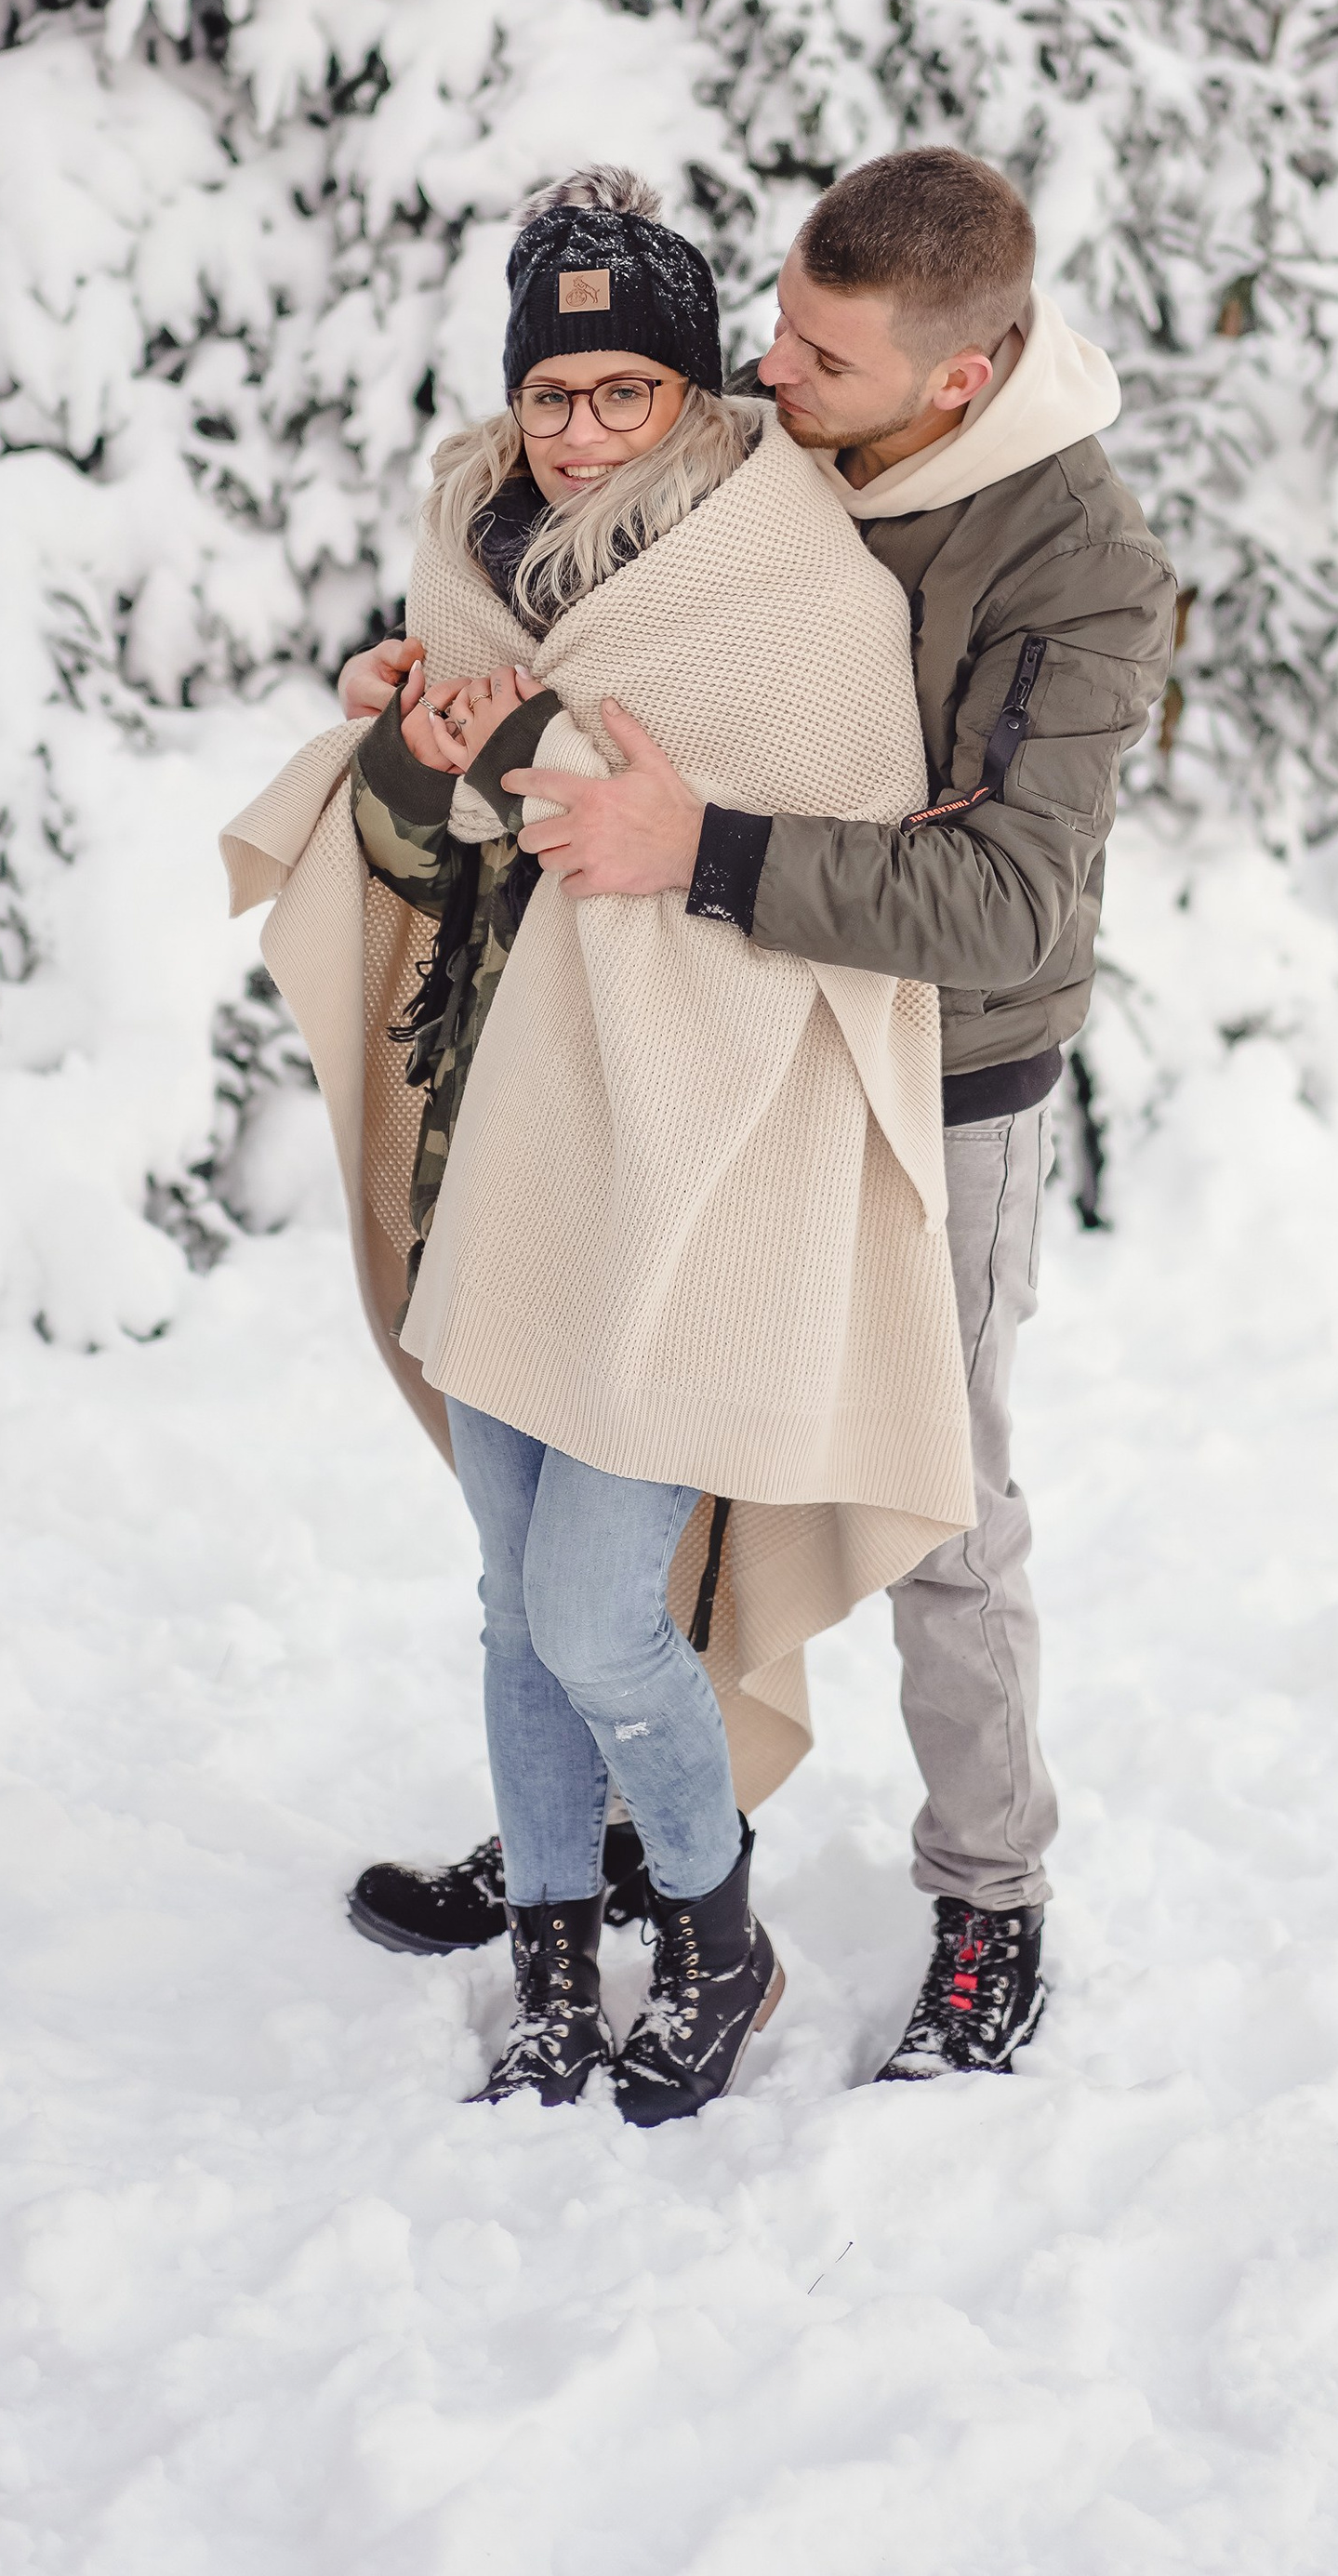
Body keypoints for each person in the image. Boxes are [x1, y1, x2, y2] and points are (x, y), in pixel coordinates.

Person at [348, 147, 1178, 2081]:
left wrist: (687, 838)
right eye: (775, 327)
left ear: (953, 378)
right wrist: (450, 693)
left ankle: (989, 1900)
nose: (765, 375)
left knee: (927, 1498)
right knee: (640, 1442)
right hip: (687, 1017)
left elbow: (1002, 898)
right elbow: (599, 612)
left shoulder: (1073, 566)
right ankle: (617, 1824)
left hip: (940, 1077)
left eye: (816, 353)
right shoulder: (764, 441)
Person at [222, 170, 976, 2122]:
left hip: (699, 1151)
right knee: (504, 1594)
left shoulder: (779, 577)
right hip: (505, 1136)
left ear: (687, 389)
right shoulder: (479, 543)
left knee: (590, 1609)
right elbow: (437, 846)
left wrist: (538, 767)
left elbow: (836, 839)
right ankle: (557, 1946)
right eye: (550, 392)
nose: (576, 432)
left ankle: (717, 1940)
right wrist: (416, 746)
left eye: (623, 390)